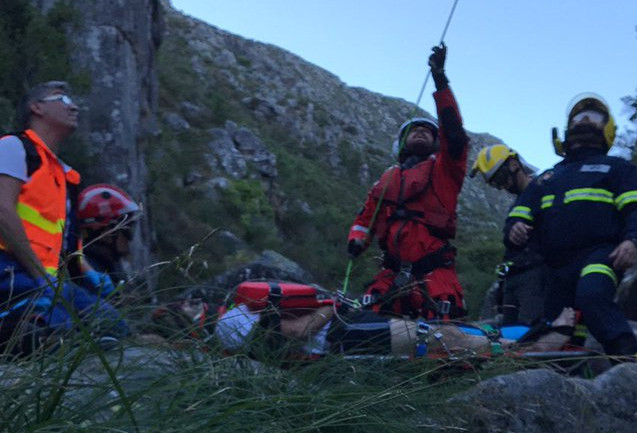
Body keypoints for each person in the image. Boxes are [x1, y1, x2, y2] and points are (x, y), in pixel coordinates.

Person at [505, 93, 637, 362]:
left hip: (600, 253)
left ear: (607, 129)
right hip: (554, 268)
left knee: (593, 295)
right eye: (578, 117)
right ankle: (572, 378)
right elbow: (519, 214)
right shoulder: (547, 178)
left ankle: (630, 361)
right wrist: (514, 228)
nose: (585, 119)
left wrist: (634, 240)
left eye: (594, 117)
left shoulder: (617, 168)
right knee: (556, 330)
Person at [0, 81, 128, 355]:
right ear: (36, 108)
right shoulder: (14, 147)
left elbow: (64, 239)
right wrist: (38, 276)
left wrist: (89, 273)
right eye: (63, 98)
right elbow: (2, 209)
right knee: (53, 333)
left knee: (114, 326)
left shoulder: (63, 175)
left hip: (45, 279)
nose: (74, 106)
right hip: (9, 270)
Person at [347, 43, 470, 321]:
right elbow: (366, 218)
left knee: (441, 336)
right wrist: (356, 240)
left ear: (437, 143)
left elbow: (453, 130)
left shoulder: (446, 170)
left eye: (428, 131)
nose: (421, 133)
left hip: (434, 273)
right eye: (414, 131)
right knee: (369, 327)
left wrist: (440, 80)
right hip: (391, 273)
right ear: (401, 144)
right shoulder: (388, 179)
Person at [216, 301, 577, 357]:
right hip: (344, 335)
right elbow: (295, 332)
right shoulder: (226, 323)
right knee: (441, 339)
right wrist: (330, 307)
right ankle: (541, 346)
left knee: (441, 330)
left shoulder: (226, 315)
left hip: (346, 330)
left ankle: (522, 340)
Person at [470, 144, 546, 324]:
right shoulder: (517, 203)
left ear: (513, 165)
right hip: (513, 278)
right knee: (509, 334)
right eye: (495, 183)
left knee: (528, 333)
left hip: (534, 276)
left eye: (501, 178)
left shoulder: (542, 188)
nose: (501, 186)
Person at [75, 183, 141, 297]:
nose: (129, 238)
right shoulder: (90, 275)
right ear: (106, 232)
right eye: (126, 229)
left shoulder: (108, 265)